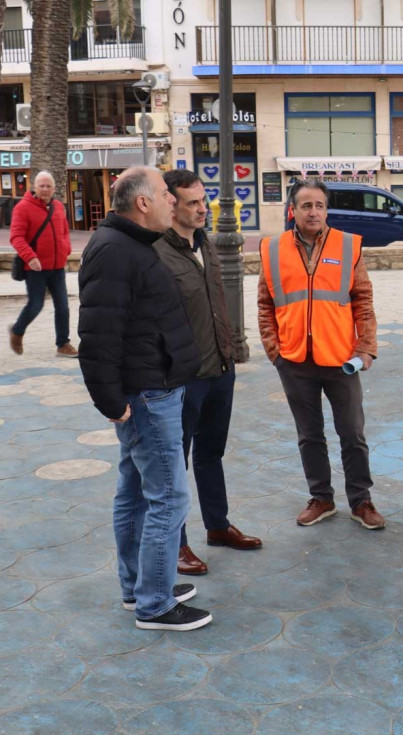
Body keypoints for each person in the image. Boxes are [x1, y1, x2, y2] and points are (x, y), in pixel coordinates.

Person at [77, 166, 211, 631]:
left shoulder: (132, 245)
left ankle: (141, 587)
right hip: (147, 396)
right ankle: (155, 604)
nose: (172, 201)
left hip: (153, 388)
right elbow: (97, 337)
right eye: (164, 194)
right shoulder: (116, 251)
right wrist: (111, 403)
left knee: (135, 492)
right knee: (169, 498)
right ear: (142, 203)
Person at [153, 170, 263, 577]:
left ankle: (217, 526)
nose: (203, 209)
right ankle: (176, 543)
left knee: (211, 453)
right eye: (193, 202)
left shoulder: (207, 244)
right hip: (182, 377)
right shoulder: (157, 252)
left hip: (220, 367)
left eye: (204, 200)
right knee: (174, 464)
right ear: (171, 204)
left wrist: (230, 352)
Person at [258, 178, 383, 530]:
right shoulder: (272, 249)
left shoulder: (348, 246)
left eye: (319, 205)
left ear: (326, 209)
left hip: (341, 359)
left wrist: (366, 347)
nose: (314, 212)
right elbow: (265, 304)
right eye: (306, 205)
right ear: (292, 210)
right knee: (309, 435)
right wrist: (274, 350)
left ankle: (362, 501)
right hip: (294, 360)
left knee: (352, 434)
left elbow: (363, 301)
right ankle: (322, 498)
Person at [8, 170, 78, 358]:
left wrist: (66, 249)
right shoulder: (22, 208)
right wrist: (30, 257)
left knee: (63, 307)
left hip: (57, 267)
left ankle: (63, 344)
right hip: (35, 269)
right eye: (42, 186)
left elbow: (64, 231)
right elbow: (16, 237)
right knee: (35, 305)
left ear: (54, 188)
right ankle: (17, 330)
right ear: (34, 187)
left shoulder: (57, 207)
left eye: (49, 186)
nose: (45, 189)